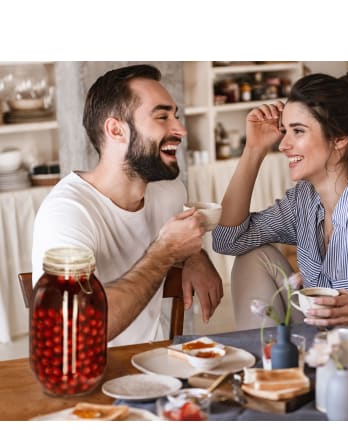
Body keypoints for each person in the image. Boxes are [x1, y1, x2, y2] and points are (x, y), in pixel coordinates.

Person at [32, 64, 223, 345]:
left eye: (176, 116)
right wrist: (166, 251)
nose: (180, 129)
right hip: (91, 376)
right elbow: (81, 329)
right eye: (162, 117)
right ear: (116, 130)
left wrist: (195, 256)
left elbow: (180, 243)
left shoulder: (169, 193)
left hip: (155, 366)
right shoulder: (67, 213)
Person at [212, 70, 348, 330]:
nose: (283, 145)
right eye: (285, 130)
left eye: (298, 131)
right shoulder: (302, 201)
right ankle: (270, 368)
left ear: (339, 139)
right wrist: (253, 149)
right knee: (252, 256)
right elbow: (227, 241)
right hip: (319, 344)